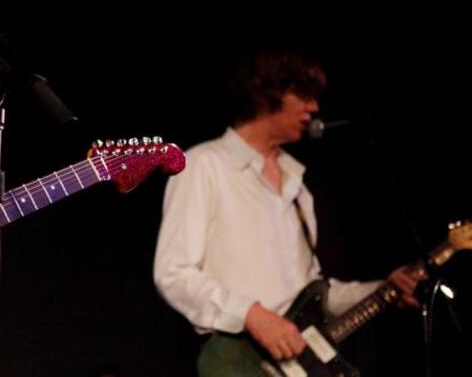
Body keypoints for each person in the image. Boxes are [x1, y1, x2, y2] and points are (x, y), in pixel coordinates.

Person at [153, 51, 423, 375]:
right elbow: (173, 272)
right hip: (239, 363)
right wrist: (252, 315)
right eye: (305, 95)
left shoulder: (298, 189)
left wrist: (381, 290)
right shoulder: (203, 166)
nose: (314, 108)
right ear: (268, 93)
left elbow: (314, 293)